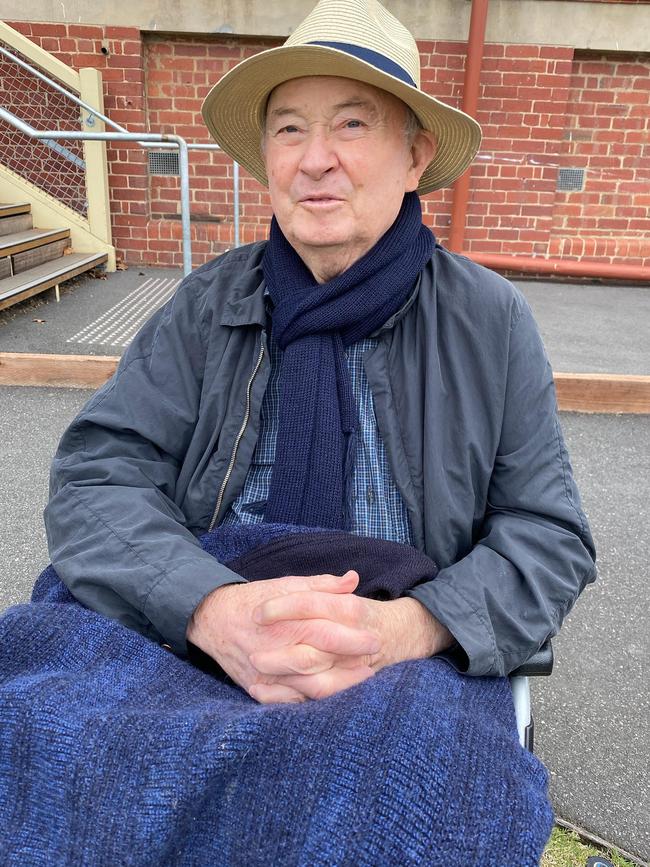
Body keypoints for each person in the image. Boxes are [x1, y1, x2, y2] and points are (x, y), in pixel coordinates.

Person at [45, 0, 596, 708]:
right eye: (290, 129)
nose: (314, 159)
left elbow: (548, 534)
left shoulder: (489, 321)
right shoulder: (207, 307)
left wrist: (407, 627)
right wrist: (210, 608)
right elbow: (95, 482)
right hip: (211, 636)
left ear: (416, 156)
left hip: (401, 653)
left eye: (352, 123)